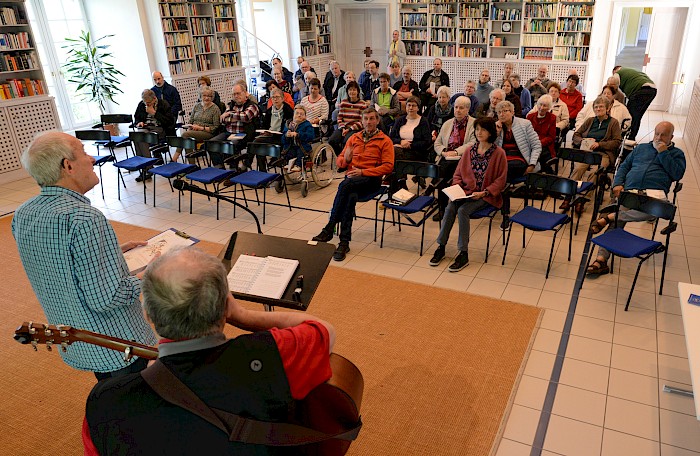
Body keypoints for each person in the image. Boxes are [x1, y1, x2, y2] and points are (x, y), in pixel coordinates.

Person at [84, 247, 335, 454]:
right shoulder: (274, 353)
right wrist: (245, 317)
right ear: (226, 307)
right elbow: (323, 330)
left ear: (148, 315)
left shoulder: (103, 402)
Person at [12, 131, 157, 379]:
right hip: (115, 342)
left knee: (111, 395)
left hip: (78, 335)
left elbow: (58, 262)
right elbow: (106, 298)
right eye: (84, 152)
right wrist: (149, 276)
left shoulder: (24, 213)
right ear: (68, 166)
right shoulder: (83, 218)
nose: (92, 159)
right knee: (130, 402)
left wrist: (112, 251)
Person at [586, 121, 685, 276]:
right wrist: (618, 183)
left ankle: (610, 217)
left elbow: (677, 174)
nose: (658, 137)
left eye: (663, 135)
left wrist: (663, 153)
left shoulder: (677, 154)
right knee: (618, 221)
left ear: (671, 137)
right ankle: (601, 260)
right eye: (656, 133)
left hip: (654, 195)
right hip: (631, 191)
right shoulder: (642, 148)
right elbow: (625, 166)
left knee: (656, 212)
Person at [312, 108, 394, 261]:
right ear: (361, 121)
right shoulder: (354, 138)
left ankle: (330, 227)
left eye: (372, 119)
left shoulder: (385, 141)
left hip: (371, 180)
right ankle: (344, 242)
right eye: (366, 119)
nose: (369, 122)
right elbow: (340, 162)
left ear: (377, 121)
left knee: (344, 186)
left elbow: (388, 167)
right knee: (349, 196)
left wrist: (363, 172)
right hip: (352, 181)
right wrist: (347, 160)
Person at [429, 117, 507, 272]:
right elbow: (458, 174)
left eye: (483, 129)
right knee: (451, 207)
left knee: (463, 211)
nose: (479, 132)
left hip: (486, 195)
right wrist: (457, 188)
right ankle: (441, 246)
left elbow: (501, 180)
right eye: (477, 129)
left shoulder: (499, 153)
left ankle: (463, 253)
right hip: (466, 192)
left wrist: (485, 192)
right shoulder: (470, 151)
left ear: (491, 132)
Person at [495, 100, 542, 226]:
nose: (502, 114)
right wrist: (496, 133)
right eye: (499, 112)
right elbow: (491, 149)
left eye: (505, 111)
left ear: (512, 112)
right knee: (502, 178)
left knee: (501, 175)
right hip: (503, 160)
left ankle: (504, 212)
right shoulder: (497, 127)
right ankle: (505, 209)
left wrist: (532, 164)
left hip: (520, 159)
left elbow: (537, 146)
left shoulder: (525, 124)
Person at [432, 96, 476, 220]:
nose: (458, 110)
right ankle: (442, 208)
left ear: (467, 109)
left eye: (461, 108)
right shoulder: (447, 124)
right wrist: (444, 152)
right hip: (446, 157)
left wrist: (456, 152)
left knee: (447, 171)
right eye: (456, 107)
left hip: (465, 158)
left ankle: (457, 205)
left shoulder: (474, 124)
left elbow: (473, 143)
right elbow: (437, 143)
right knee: (442, 173)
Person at [570, 96, 622, 182]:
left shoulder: (613, 122)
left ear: (607, 108)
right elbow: (576, 135)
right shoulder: (590, 121)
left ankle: (587, 195)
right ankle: (569, 192)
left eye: (601, 106)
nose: (598, 109)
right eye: (596, 107)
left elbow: (617, 142)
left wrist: (599, 144)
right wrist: (582, 141)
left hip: (604, 154)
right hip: (587, 152)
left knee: (595, 173)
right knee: (578, 169)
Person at [210, 80, 260, 167]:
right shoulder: (231, 105)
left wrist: (230, 114)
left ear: (245, 93)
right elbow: (222, 119)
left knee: (230, 144)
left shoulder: (252, 106)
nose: (236, 96)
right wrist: (236, 117)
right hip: (229, 132)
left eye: (238, 93)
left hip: (243, 134)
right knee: (212, 143)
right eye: (234, 94)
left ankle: (233, 170)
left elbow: (245, 117)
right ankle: (221, 170)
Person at [171, 88, 221, 163]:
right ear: (201, 96)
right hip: (195, 131)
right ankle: (192, 165)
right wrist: (190, 126)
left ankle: (175, 158)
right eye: (204, 95)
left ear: (212, 97)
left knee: (185, 135)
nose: (207, 98)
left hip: (208, 133)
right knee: (187, 139)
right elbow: (190, 121)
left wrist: (200, 128)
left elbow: (215, 127)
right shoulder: (197, 106)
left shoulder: (215, 109)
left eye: (209, 96)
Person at [133, 89, 175, 177]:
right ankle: (145, 167)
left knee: (143, 138)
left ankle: (147, 168)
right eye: (145, 103)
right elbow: (137, 117)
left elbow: (169, 122)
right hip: (146, 127)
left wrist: (154, 113)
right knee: (137, 137)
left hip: (159, 128)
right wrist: (139, 122)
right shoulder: (142, 104)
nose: (147, 105)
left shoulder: (163, 104)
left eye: (149, 102)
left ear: (154, 98)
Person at [613, 66, 656, 141]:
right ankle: (631, 137)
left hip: (641, 91)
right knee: (637, 116)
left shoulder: (617, 73)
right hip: (652, 90)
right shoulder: (633, 71)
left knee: (629, 115)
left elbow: (612, 86)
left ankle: (625, 138)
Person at [389, 96, 431, 161]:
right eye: (409, 105)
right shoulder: (399, 120)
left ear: (418, 108)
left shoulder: (423, 121)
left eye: (413, 106)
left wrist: (410, 145)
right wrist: (401, 142)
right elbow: (391, 137)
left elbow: (427, 142)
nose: (411, 108)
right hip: (399, 147)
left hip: (416, 151)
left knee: (394, 153)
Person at [329, 81, 366, 154]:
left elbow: (362, 122)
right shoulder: (344, 102)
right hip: (343, 127)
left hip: (355, 129)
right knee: (331, 141)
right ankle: (341, 156)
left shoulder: (362, 104)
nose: (352, 92)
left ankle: (346, 159)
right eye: (350, 90)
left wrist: (349, 129)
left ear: (358, 92)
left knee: (347, 141)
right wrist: (343, 128)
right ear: (347, 92)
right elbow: (339, 118)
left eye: (354, 90)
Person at [526, 94, 557, 174]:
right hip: (530, 144)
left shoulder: (552, 118)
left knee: (542, 158)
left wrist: (538, 143)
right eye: (540, 104)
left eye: (545, 106)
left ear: (549, 107)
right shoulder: (530, 117)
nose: (542, 108)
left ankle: (546, 176)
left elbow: (551, 137)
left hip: (545, 146)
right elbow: (526, 134)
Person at [281, 105, 315, 172]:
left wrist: (298, 134)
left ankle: (298, 165)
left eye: (301, 114)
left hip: (302, 145)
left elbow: (310, 136)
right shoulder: (288, 124)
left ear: (305, 116)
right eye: (297, 113)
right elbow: (283, 138)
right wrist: (286, 135)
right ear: (293, 114)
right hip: (291, 145)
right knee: (289, 151)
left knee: (300, 152)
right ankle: (289, 163)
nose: (299, 115)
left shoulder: (307, 125)